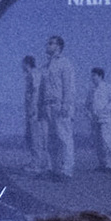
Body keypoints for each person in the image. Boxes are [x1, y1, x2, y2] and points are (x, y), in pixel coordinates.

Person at [38, 35, 75, 178]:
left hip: (59, 105)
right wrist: (40, 107)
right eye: (48, 43)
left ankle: (66, 171)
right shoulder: (45, 66)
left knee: (64, 138)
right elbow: (42, 89)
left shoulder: (65, 63)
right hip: (46, 106)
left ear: (58, 46)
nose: (47, 45)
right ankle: (52, 169)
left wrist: (66, 104)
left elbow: (68, 86)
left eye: (51, 43)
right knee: (49, 139)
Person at [88, 66, 111, 172]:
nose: (92, 78)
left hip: (106, 120)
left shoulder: (108, 88)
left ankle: (110, 165)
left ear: (100, 76)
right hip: (95, 120)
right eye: (92, 76)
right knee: (98, 143)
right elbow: (88, 104)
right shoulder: (92, 90)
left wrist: (104, 111)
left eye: (94, 75)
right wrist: (89, 113)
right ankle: (102, 164)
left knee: (106, 141)